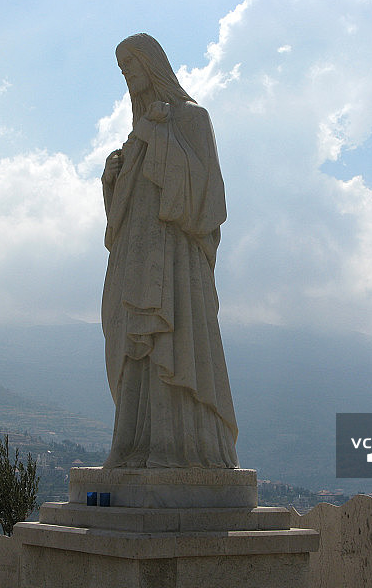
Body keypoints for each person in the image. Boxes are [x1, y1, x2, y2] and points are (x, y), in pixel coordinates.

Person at [101, 33, 238, 468]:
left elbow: (206, 198)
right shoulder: (140, 132)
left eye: (131, 63)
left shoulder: (192, 118)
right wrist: (113, 180)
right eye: (121, 67)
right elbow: (125, 215)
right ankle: (134, 445)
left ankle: (183, 450)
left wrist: (154, 137)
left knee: (173, 343)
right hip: (137, 261)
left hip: (177, 261)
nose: (127, 73)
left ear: (152, 63)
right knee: (136, 346)